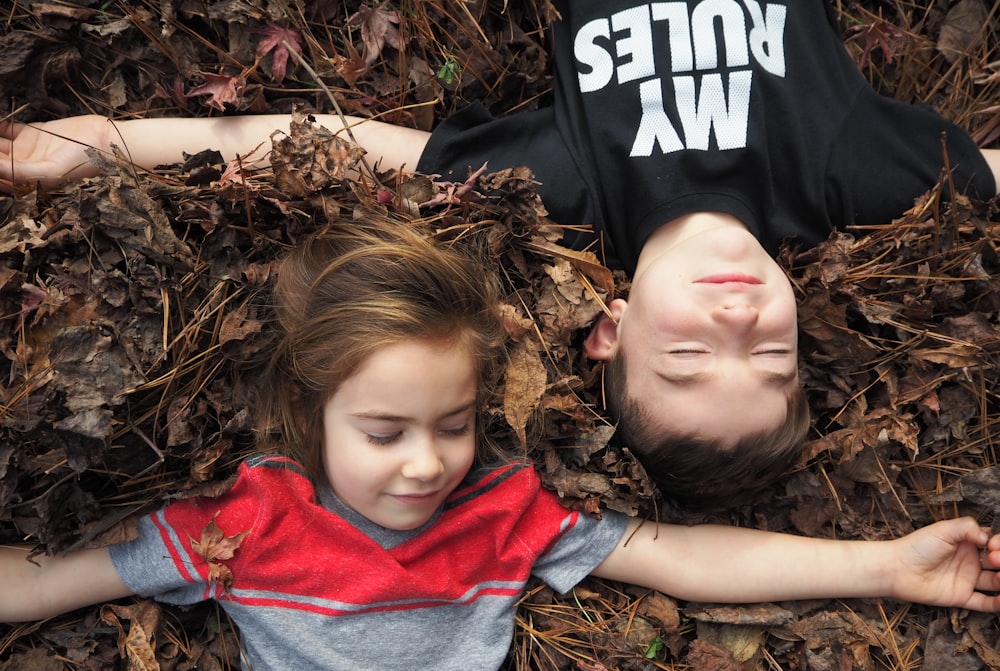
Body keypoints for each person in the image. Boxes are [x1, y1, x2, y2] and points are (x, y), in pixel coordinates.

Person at [3, 213, 1000, 671]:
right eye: (384, 432)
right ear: (307, 418)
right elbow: (47, 582)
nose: (427, 462)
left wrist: (885, 565)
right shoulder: (240, 522)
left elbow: (682, 558)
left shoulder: (501, 507)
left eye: (451, 424)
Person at [3, 0, 1000, 504]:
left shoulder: (561, 185)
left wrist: (111, 145)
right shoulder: (850, 175)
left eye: (691, 356)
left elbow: (337, 145)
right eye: (770, 355)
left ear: (609, 331)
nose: (736, 320)